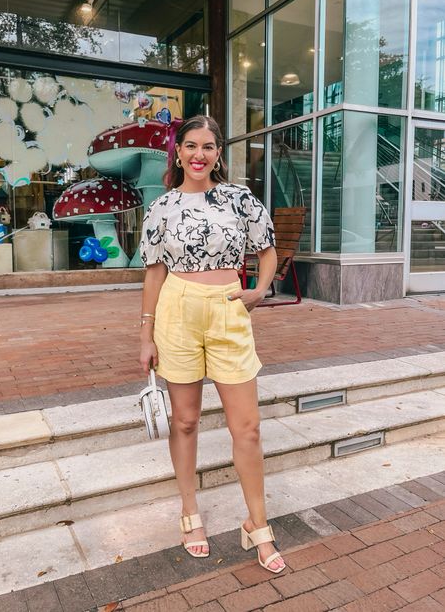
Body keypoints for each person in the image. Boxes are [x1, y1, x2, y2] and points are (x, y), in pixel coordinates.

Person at [139, 115, 285, 574]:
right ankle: (190, 512)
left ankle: (257, 524)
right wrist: (145, 334)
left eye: (208, 147)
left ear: (219, 153)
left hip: (228, 307)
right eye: (191, 146)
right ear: (177, 152)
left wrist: (260, 290)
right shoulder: (161, 207)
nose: (199, 155)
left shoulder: (240, 199)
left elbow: (267, 250)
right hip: (177, 310)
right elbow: (154, 271)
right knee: (184, 421)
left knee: (249, 428)